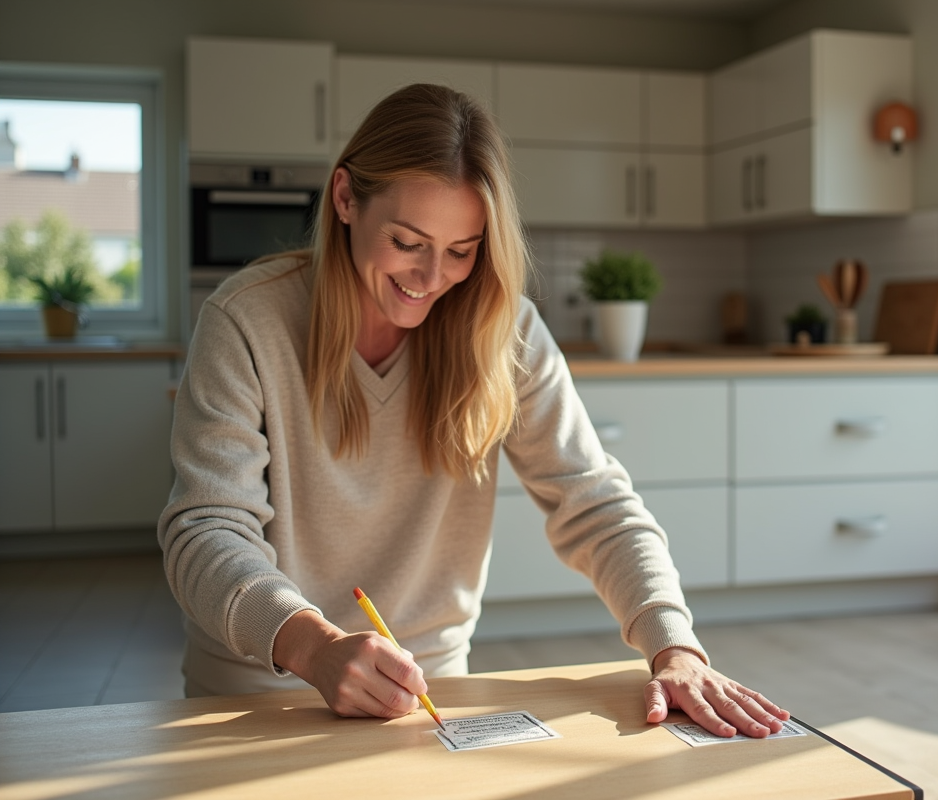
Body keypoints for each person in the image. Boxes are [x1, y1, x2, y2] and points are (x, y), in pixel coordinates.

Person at [159, 83, 788, 738]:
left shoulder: (503, 329)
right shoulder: (244, 320)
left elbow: (595, 502)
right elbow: (205, 530)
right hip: (258, 693)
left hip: (429, 692)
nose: (432, 277)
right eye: (408, 242)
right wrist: (314, 646)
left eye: (461, 251)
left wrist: (674, 647)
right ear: (345, 198)